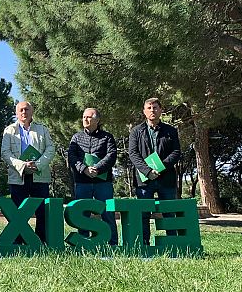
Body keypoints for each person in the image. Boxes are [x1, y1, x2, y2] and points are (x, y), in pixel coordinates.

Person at [128, 97, 182, 244]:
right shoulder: (136, 131)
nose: (153, 110)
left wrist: (161, 167)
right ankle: (144, 244)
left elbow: (176, 152)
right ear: (144, 111)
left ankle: (173, 244)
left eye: (155, 107)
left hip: (166, 178)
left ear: (161, 110)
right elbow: (133, 153)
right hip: (144, 180)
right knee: (143, 214)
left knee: (169, 213)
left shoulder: (171, 130)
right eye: (149, 108)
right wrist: (147, 171)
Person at [1, 101, 55, 242]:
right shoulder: (9, 130)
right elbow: (5, 153)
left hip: (40, 176)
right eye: (21, 110)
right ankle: (19, 242)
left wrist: (38, 165)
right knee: (17, 212)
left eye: (27, 109)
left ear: (32, 111)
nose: (24, 112)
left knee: (42, 212)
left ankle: (41, 241)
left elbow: (50, 149)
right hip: (18, 177)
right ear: (16, 113)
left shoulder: (42, 129)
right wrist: (22, 165)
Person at [68, 107, 118, 245]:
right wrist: (84, 169)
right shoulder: (76, 137)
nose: (85, 119)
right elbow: (72, 157)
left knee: (107, 213)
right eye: (84, 116)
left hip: (103, 182)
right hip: (82, 182)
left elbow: (111, 155)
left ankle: (112, 244)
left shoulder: (107, 137)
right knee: (82, 214)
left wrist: (97, 168)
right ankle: (84, 243)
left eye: (89, 117)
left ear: (97, 120)